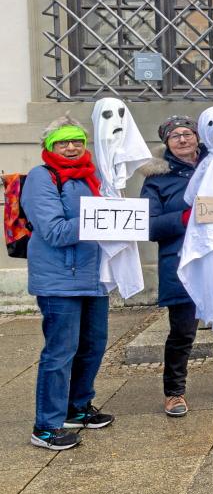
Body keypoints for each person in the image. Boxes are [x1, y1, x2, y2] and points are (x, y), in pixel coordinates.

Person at [141, 116, 213, 416]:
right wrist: (184, 219)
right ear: (167, 143)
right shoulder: (156, 179)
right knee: (183, 332)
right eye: (175, 136)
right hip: (181, 262)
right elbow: (148, 226)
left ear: (198, 137)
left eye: (188, 134)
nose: (183, 139)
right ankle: (174, 392)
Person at [23, 116, 114, 450]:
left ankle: (77, 408)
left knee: (92, 346)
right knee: (60, 353)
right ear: (50, 146)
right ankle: (46, 426)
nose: (73, 147)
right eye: (64, 142)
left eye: (78, 141)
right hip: (59, 280)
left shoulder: (93, 177)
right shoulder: (40, 177)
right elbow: (55, 231)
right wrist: (101, 217)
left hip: (93, 277)